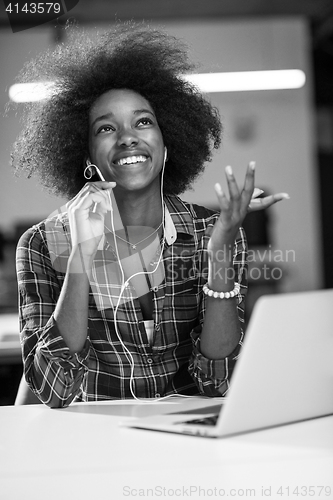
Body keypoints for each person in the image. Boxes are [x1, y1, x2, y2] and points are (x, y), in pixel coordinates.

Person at [12, 23, 288, 408]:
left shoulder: (211, 230)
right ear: (88, 157)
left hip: (185, 440)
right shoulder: (42, 244)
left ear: (166, 144)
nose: (128, 136)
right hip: (90, 442)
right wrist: (80, 256)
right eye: (106, 128)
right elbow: (52, 390)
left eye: (143, 122)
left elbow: (217, 383)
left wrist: (220, 250)